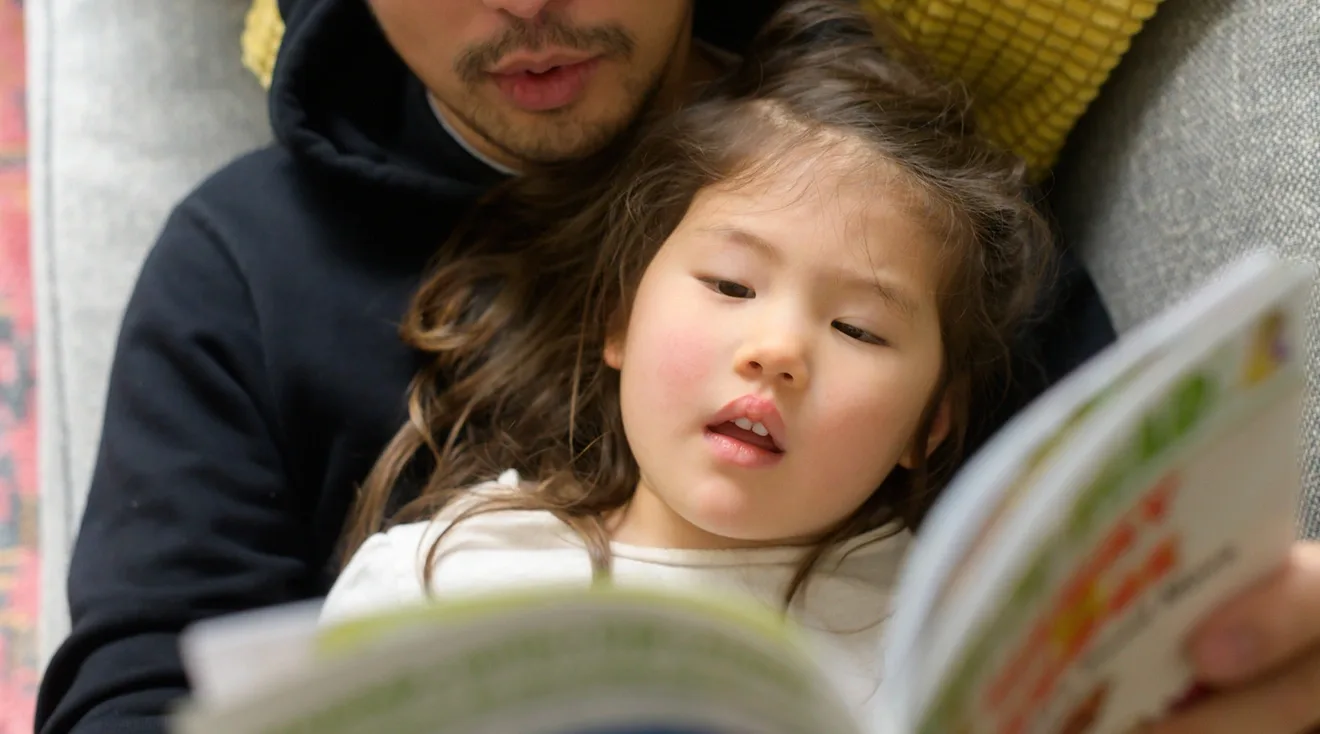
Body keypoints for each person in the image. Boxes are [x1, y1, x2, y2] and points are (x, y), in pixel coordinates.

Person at [33, 0, 1320, 732]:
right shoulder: (243, 262)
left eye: (857, 332)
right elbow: (138, 691)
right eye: (721, 281)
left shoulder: (928, 228)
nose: (527, 2)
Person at [317, 0, 1055, 711]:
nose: (777, 352)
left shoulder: (961, 638)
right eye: (732, 285)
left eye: (857, 329)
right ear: (621, 322)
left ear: (930, 423)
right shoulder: (435, 582)